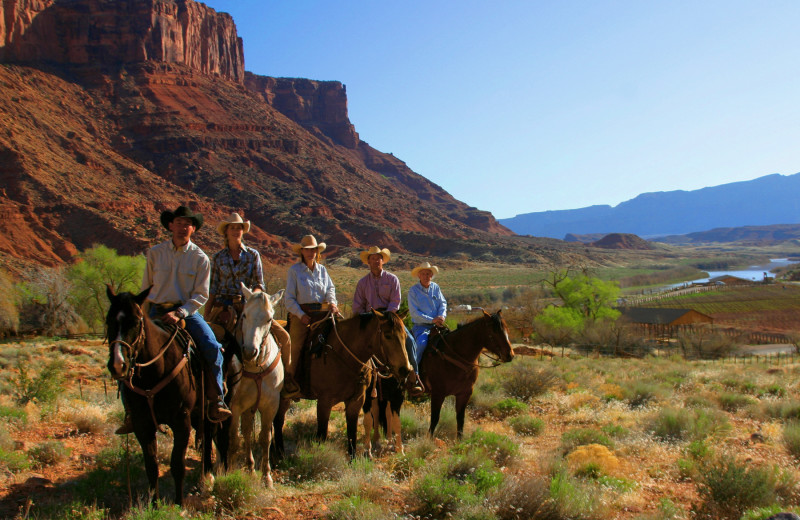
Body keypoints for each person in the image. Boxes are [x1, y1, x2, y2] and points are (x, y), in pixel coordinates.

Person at [117, 206, 231, 435]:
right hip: (154, 312)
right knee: (125, 350)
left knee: (212, 348)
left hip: (186, 312)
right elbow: (146, 289)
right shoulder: (155, 253)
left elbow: (201, 294)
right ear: (171, 226)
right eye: (179, 223)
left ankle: (216, 400)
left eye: (188, 224)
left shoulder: (200, 258)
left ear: (194, 229)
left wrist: (180, 313)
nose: (183, 227)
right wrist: (142, 314)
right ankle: (130, 411)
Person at [204, 212, 290, 375]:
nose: (236, 231)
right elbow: (213, 289)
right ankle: (211, 383)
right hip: (223, 307)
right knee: (209, 340)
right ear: (226, 231)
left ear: (243, 231)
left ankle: (287, 381)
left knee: (284, 337)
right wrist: (207, 314)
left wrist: (253, 297)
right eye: (233, 228)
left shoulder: (253, 255)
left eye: (239, 228)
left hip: (249, 305)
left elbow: (259, 283)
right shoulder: (218, 258)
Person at [352, 246, 424, 396]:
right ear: (368, 262)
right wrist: (367, 319)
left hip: (390, 318)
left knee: (409, 341)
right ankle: (353, 380)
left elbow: (395, 302)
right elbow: (357, 306)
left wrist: (386, 317)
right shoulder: (362, 283)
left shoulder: (392, 279)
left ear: (382, 261)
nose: (375, 261)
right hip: (370, 319)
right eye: (372, 258)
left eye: (378, 258)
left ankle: (414, 377)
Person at [283, 234, 339, 398]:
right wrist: (300, 315)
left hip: (322, 312)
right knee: (296, 346)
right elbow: (289, 299)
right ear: (302, 251)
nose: (310, 252)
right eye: (307, 249)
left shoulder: (322, 270)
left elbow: (330, 289)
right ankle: (290, 381)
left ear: (317, 251)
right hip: (303, 314)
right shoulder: (294, 271)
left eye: (313, 249)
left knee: (340, 336)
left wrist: (333, 303)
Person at [407, 261, 448, 366]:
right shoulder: (413, 291)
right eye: (423, 274)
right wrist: (431, 320)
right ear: (419, 275)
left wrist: (442, 316)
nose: (426, 276)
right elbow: (415, 313)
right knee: (421, 344)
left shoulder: (436, 287)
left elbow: (442, 303)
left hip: (437, 325)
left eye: (428, 274)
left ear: (432, 275)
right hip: (421, 327)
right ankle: (413, 372)